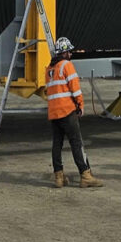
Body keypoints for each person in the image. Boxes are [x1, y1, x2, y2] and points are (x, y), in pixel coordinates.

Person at [45, 37, 103, 189]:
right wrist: (80, 105)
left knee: (56, 144)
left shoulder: (49, 69)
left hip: (54, 112)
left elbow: (48, 91)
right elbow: (75, 88)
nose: (71, 54)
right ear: (64, 53)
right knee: (77, 143)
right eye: (69, 51)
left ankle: (58, 177)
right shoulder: (67, 66)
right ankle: (86, 175)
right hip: (67, 111)